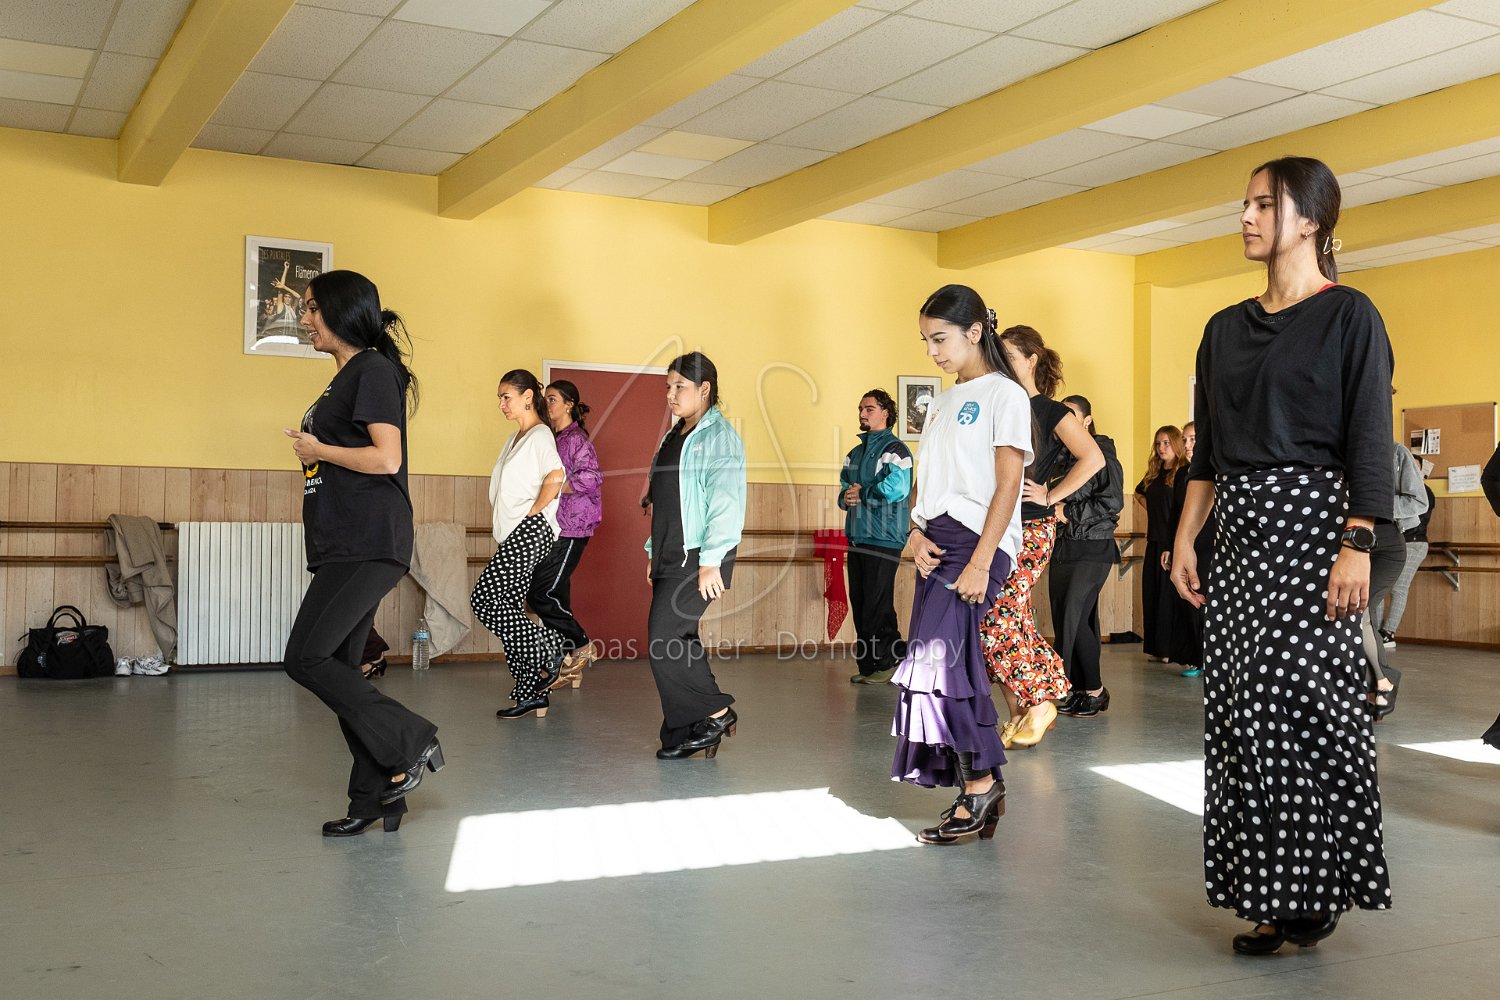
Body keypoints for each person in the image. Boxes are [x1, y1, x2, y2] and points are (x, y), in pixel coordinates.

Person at [1171, 155, 1394, 955]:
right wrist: (1185, 537)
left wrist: (1357, 542)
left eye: (1265, 204)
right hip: (1238, 533)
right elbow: (1208, 454)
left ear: (1311, 221)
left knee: (1305, 705)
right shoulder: (1223, 329)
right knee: (1238, 713)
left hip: (1317, 531)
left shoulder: (1349, 316)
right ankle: (1272, 896)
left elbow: (1370, 434)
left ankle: (1316, 886)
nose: (1246, 216)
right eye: (1245, 203)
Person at [281, 269, 442, 838]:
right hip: (343, 542)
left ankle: (410, 738)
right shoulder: (346, 376)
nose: (305, 319)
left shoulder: (371, 369)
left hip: (368, 541)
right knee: (342, 669)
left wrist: (319, 448)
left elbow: (386, 459)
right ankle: (375, 796)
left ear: (341, 311)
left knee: (306, 657)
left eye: (311, 308)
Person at [892, 284, 1032, 845]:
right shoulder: (941, 402)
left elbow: (1009, 483)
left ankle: (979, 787)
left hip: (979, 542)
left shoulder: (1006, 395)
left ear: (975, 332)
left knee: (939, 662)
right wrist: (914, 532)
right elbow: (929, 478)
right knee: (949, 663)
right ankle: (983, 787)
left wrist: (980, 561)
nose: (932, 352)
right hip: (935, 542)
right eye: (925, 341)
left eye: (940, 339)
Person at [980, 325, 1104, 748]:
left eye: (1010, 356)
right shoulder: (1000, 403)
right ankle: (1021, 712)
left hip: (1032, 527)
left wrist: (1051, 495)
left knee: (996, 618)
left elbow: (1093, 458)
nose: (1002, 364)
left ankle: (1037, 701)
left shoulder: (1050, 411)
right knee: (1011, 619)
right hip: (996, 523)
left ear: (1032, 360)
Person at [641, 352, 745, 760]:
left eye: (679, 386)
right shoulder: (675, 435)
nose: (671, 394)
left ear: (705, 389)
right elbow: (665, 500)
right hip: (671, 551)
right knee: (677, 638)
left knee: (664, 638)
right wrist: (653, 551)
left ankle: (716, 714)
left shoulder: (719, 438)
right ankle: (687, 729)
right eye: (668, 386)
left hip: (701, 555)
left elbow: (726, 503)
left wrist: (711, 560)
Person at [472, 369, 568, 720]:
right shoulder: (516, 437)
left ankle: (550, 648)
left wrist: (533, 513)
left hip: (528, 531)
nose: (501, 404)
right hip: (513, 533)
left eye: (506, 397)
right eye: (500, 398)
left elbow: (556, 476)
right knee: (509, 607)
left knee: (483, 600)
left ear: (528, 397)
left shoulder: (540, 434)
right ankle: (530, 692)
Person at [1050, 396, 1123, 719]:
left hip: (1093, 546)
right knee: (1070, 619)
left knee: (1074, 617)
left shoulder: (1102, 452)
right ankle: (1083, 690)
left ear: (1087, 421)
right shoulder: (1059, 457)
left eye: (1071, 414)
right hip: (1064, 546)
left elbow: (1112, 502)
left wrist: (1068, 513)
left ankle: (1093, 691)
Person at [529, 379, 603, 689]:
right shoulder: (550, 437)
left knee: (541, 594)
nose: (547, 404)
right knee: (556, 595)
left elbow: (591, 478)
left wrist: (556, 488)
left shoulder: (576, 440)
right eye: (545, 399)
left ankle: (583, 645)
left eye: (553, 399)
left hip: (574, 527)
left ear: (569, 404)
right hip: (554, 526)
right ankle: (566, 665)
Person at [839, 388, 913, 685]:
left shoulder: (897, 450)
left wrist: (863, 493)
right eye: (860, 408)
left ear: (886, 413)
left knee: (877, 604)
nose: (862, 413)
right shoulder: (854, 453)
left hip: (884, 538)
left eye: (869, 408)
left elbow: (899, 488)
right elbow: (845, 489)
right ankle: (869, 666)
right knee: (860, 603)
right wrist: (846, 497)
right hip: (857, 536)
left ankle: (889, 660)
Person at [1358, 437, 1426, 718]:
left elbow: (1418, 501)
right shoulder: (1334, 454)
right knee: (1360, 615)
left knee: (1359, 610)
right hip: (1351, 546)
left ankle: (1381, 682)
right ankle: (1377, 683)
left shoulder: (1396, 452)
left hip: (1386, 546)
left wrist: (1372, 503)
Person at [1135, 426, 1191, 667]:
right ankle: (1156, 648)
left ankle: (1170, 649)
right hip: (1154, 541)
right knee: (1152, 595)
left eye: (1166, 442)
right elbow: (1138, 493)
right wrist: (1154, 511)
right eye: (1158, 443)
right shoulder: (1154, 473)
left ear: (1177, 444)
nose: (1161, 447)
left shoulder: (1184, 472)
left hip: (1174, 543)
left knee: (1169, 598)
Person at [1378, 447, 1432, 647]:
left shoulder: (1426, 493)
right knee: (1380, 589)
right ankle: (1375, 632)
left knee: (1398, 587)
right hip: (1396, 538)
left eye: (1416, 467)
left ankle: (1388, 632)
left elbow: (1418, 519)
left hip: (1413, 542)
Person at [1176, 420, 1214, 677]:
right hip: (1191, 543)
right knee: (1192, 600)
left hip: (1213, 541)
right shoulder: (1182, 474)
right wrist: (1175, 546)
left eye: (1193, 438)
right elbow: (1176, 514)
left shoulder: (1218, 470)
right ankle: (1197, 658)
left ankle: (1212, 657)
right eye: (1185, 439)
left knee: (1211, 601)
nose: (1188, 444)